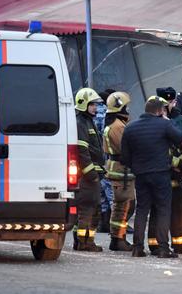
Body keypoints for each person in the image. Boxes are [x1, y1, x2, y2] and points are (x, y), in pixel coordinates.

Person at [121, 97, 182, 258]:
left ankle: (137, 247)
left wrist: (136, 168)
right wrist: (165, 120)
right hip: (161, 173)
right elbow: (180, 138)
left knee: (142, 210)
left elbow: (125, 157)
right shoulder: (164, 124)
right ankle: (163, 248)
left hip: (141, 175)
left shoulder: (130, 128)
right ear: (159, 111)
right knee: (163, 209)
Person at [145, 87, 182, 255]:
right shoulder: (151, 120)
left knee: (180, 209)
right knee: (157, 209)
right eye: (167, 102)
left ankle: (181, 244)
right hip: (159, 171)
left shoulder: (181, 120)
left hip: (176, 171)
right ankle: (155, 244)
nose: (170, 104)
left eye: (172, 101)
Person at [74, 88, 105, 252]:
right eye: (92, 104)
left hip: (93, 175)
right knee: (88, 210)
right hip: (87, 177)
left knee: (92, 209)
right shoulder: (81, 122)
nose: (95, 108)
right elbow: (82, 151)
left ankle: (83, 241)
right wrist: (91, 173)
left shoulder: (87, 121)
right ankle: (84, 242)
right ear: (83, 104)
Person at [102, 91, 134, 252]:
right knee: (122, 206)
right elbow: (126, 147)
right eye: (125, 107)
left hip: (120, 170)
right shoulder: (117, 126)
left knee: (123, 205)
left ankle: (118, 237)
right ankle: (117, 238)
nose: (127, 110)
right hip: (121, 171)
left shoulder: (115, 124)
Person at [96, 88, 116, 234]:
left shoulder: (93, 111)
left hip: (95, 158)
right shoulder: (106, 114)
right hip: (107, 158)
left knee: (101, 192)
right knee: (112, 193)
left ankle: (102, 223)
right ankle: (115, 226)